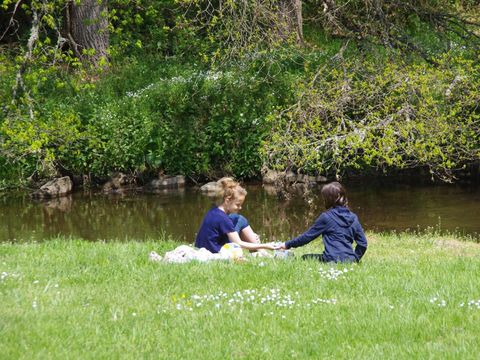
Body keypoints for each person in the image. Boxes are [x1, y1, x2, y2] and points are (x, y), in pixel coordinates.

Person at [275, 182, 367, 263]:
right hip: (349, 260)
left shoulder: (326, 217)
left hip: (331, 260)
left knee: (305, 258)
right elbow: (363, 243)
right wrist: (355, 259)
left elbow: (307, 237)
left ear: (329, 199)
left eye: (324, 198)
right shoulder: (353, 217)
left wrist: (287, 244)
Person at [195, 177, 275, 253]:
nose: (240, 208)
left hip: (201, 248)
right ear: (227, 200)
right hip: (215, 251)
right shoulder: (224, 219)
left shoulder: (213, 211)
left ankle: (254, 243)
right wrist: (264, 246)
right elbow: (238, 243)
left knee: (236, 218)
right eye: (237, 204)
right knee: (240, 219)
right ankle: (259, 248)